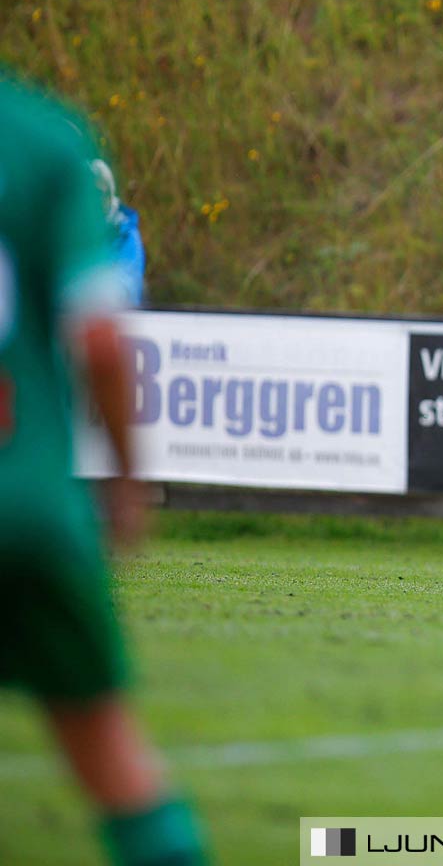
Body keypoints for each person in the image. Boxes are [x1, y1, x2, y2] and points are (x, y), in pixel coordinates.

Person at [0, 71, 210, 865]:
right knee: (113, 757)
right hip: (26, 504)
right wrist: (128, 480)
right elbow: (97, 338)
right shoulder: (45, 137)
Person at [91, 159, 147, 306]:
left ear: (110, 195)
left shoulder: (126, 235)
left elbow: (127, 290)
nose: (95, 201)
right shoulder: (68, 234)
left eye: (100, 194)